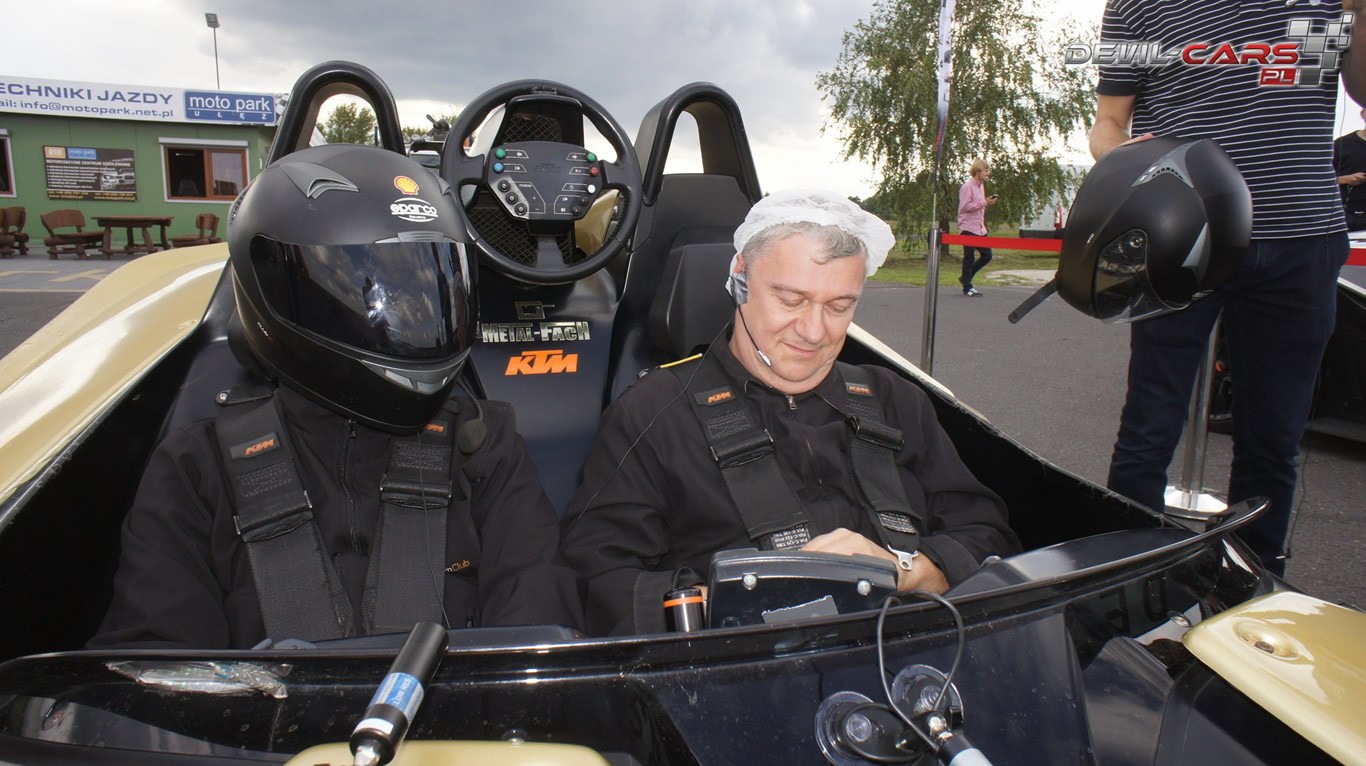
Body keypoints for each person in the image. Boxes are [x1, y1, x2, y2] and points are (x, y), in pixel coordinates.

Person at [90, 144, 581, 649]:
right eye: (375, 288)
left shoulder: (482, 446)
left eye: (426, 284)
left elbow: (539, 626)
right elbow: (150, 658)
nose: (411, 314)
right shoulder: (197, 469)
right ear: (281, 288)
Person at [560, 190, 1019, 636]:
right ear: (740, 278)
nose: (814, 331)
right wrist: (734, 602)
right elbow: (593, 579)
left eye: (839, 306)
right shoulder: (653, 414)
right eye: (791, 299)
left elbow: (989, 534)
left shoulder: (894, 399)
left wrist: (910, 571)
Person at [1090, 1, 1354, 575]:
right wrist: (1122, 162)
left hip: (1301, 234)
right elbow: (1109, 120)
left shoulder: (1329, 6)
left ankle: (1251, 585)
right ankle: (1119, 581)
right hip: (1183, 232)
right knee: (1149, 426)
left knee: (1273, 440)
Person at [957, 159, 998, 296]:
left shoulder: (981, 186)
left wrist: (986, 203)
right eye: (985, 171)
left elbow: (980, 204)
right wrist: (984, 203)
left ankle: (966, 278)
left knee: (987, 255)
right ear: (977, 171)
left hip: (980, 228)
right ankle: (967, 287)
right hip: (968, 227)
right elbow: (965, 207)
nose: (987, 174)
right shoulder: (967, 187)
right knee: (969, 258)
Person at [1334, 106, 1366, 232]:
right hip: (1347, 216)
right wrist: (1345, 179)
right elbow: (1317, 178)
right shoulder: (1341, 144)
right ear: (1362, 114)